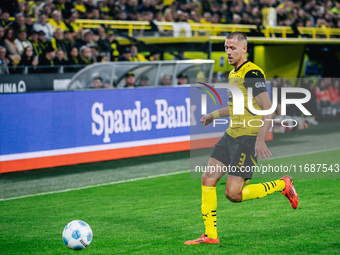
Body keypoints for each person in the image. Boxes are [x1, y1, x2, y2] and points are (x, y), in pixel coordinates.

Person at [184, 32, 299, 245]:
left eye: (232, 48)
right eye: (226, 48)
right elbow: (233, 107)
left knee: (233, 194)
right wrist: (212, 115)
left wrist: (261, 139)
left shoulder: (252, 73)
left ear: (244, 49)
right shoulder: (232, 75)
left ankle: (281, 185)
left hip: (248, 138)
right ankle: (210, 235)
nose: (228, 52)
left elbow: (268, 108)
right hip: (231, 135)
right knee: (207, 179)